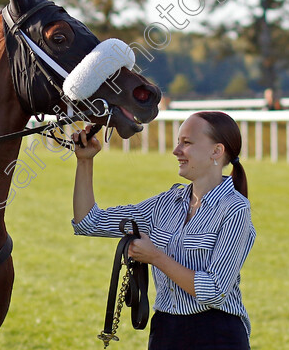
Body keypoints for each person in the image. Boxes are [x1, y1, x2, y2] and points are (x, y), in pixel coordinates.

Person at [71, 112, 255, 349]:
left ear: (216, 151)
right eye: (179, 142)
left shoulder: (235, 209)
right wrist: (85, 161)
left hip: (217, 335)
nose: (176, 150)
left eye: (186, 143)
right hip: (165, 332)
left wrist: (155, 257)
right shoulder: (165, 203)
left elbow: (214, 290)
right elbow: (89, 222)